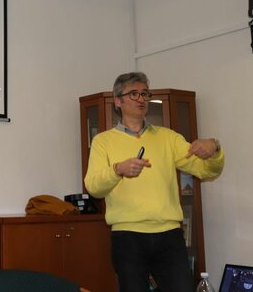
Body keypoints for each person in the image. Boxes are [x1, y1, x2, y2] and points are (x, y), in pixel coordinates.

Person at [84, 72, 224, 292]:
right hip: (127, 236)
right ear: (118, 101)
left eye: (144, 94)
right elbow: (93, 187)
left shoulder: (169, 137)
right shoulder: (103, 141)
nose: (141, 99)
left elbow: (206, 171)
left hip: (169, 235)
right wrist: (117, 170)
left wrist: (214, 149)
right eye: (134, 94)